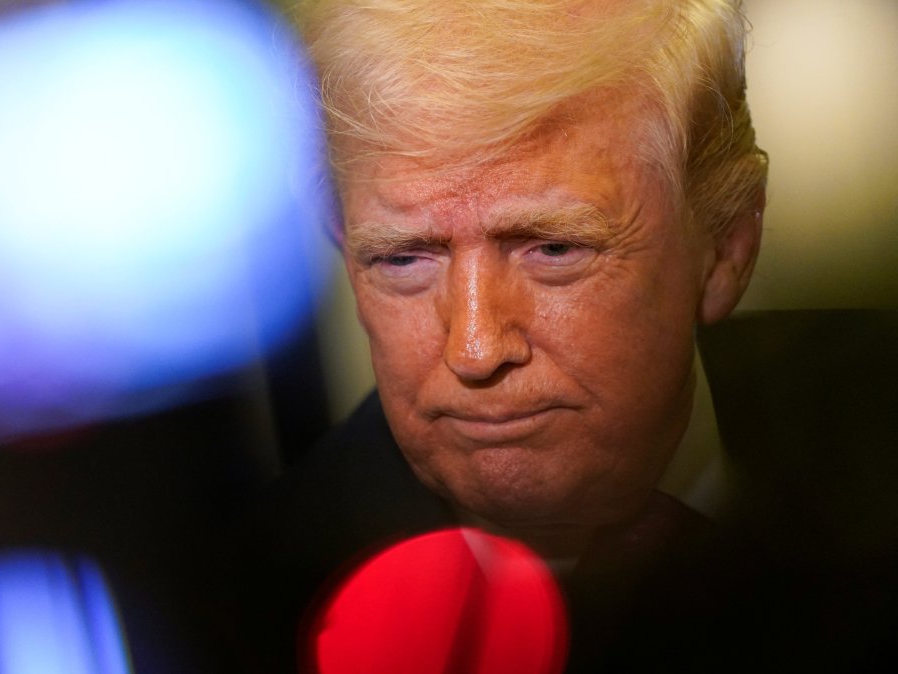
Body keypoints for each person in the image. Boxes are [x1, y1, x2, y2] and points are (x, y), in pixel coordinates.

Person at [235, 0, 770, 671]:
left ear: (726, 248)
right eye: (404, 258)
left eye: (552, 249)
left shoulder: (867, 439)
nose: (476, 349)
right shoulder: (236, 620)